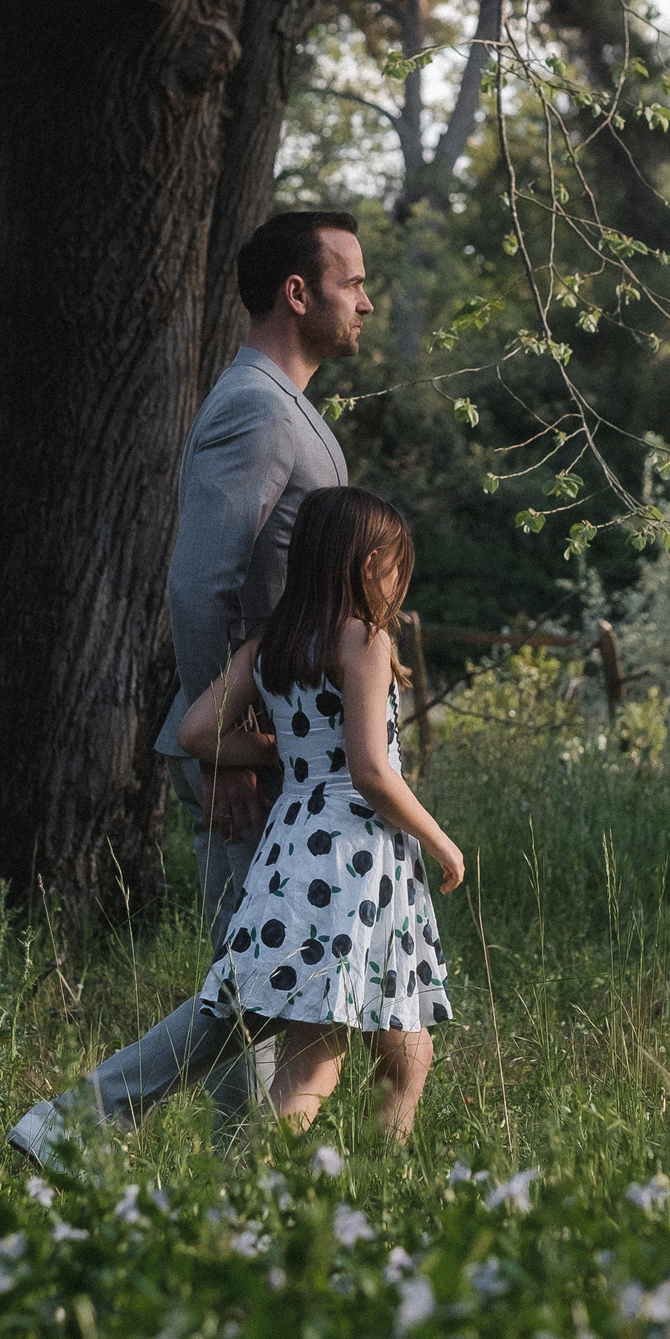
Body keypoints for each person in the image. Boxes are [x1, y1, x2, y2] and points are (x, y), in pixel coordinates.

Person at [7, 210, 373, 1165]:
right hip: (244, 750)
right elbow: (201, 581)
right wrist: (232, 741)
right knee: (261, 982)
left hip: (277, 752)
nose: (367, 300)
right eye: (353, 281)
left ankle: (236, 1190)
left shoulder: (293, 409)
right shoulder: (255, 406)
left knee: (264, 981)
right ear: (300, 293)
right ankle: (75, 1123)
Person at [178, 486, 462, 1141]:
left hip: (295, 843)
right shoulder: (362, 638)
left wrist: (278, 747)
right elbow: (370, 769)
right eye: (395, 568)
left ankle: (369, 1184)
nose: (398, 583)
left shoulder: (271, 644)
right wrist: (441, 839)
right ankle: (257, 1190)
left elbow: (197, 731)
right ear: (367, 566)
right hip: (358, 852)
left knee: (396, 1042)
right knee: (320, 1054)